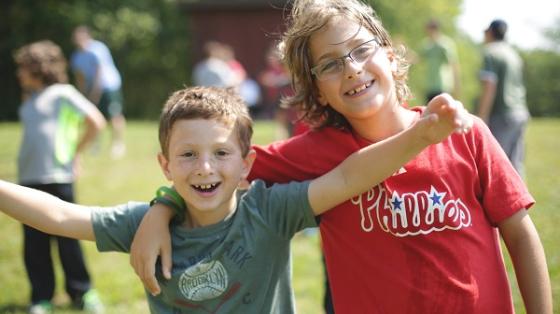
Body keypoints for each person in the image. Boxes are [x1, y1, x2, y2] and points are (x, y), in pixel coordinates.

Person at [131, 0, 552, 313]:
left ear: (389, 53)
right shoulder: (313, 153)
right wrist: (162, 207)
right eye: (330, 64)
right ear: (315, 90)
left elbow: (520, 232)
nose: (351, 69)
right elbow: (217, 169)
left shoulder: (465, 133)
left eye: (360, 50)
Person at [0, 86, 468, 313]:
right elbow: (59, 215)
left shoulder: (270, 210)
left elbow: (347, 177)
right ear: (165, 165)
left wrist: (420, 136)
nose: (204, 167)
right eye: (187, 155)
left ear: (247, 164)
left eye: (220, 153)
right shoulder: (143, 224)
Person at [13, 40, 106, 314]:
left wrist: (76, 153)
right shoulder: (28, 98)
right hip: (28, 179)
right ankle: (41, 297)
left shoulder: (62, 93)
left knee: (68, 237)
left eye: (23, 68)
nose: (19, 74)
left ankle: (83, 292)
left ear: (38, 67)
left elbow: (96, 121)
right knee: (34, 242)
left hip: (57, 176)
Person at [477, 19, 530, 176]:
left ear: (491, 32)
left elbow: (489, 87)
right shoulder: (513, 54)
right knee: (515, 164)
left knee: (496, 165)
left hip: (502, 114)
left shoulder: (490, 53)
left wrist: (481, 118)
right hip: (520, 112)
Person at [71, 26, 127, 159]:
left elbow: (99, 75)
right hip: (92, 89)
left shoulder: (98, 49)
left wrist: (94, 95)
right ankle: (95, 144)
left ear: (88, 37)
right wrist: (82, 95)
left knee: (114, 114)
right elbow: (80, 78)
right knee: (94, 116)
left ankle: (118, 144)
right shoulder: (76, 57)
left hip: (109, 86)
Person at [420, 18, 461, 102]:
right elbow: (419, 59)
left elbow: (453, 64)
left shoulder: (445, 44)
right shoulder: (427, 45)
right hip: (430, 86)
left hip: (443, 86)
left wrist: (457, 85)